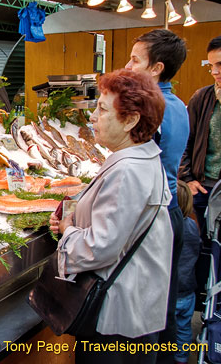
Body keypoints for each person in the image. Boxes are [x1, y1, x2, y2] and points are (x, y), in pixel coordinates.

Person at [49, 69, 172, 363]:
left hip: (117, 319)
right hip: (136, 306)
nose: (92, 117)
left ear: (131, 120)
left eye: (102, 109)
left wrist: (69, 231)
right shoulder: (143, 157)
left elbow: (99, 247)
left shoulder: (128, 170)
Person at [124, 28, 189, 363]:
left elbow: (135, 167)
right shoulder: (179, 104)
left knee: (143, 312)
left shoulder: (153, 110)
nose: (128, 65)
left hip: (152, 218)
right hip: (173, 209)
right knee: (164, 300)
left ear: (156, 68)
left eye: (135, 59)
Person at [179, 32, 221, 236]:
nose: (214, 72)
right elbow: (186, 140)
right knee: (206, 248)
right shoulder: (202, 98)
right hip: (206, 187)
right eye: (211, 65)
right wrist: (187, 179)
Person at [174, 180, 201, 364]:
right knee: (184, 327)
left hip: (171, 292)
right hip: (188, 291)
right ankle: (182, 358)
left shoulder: (172, 228)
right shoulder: (193, 226)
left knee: (165, 328)